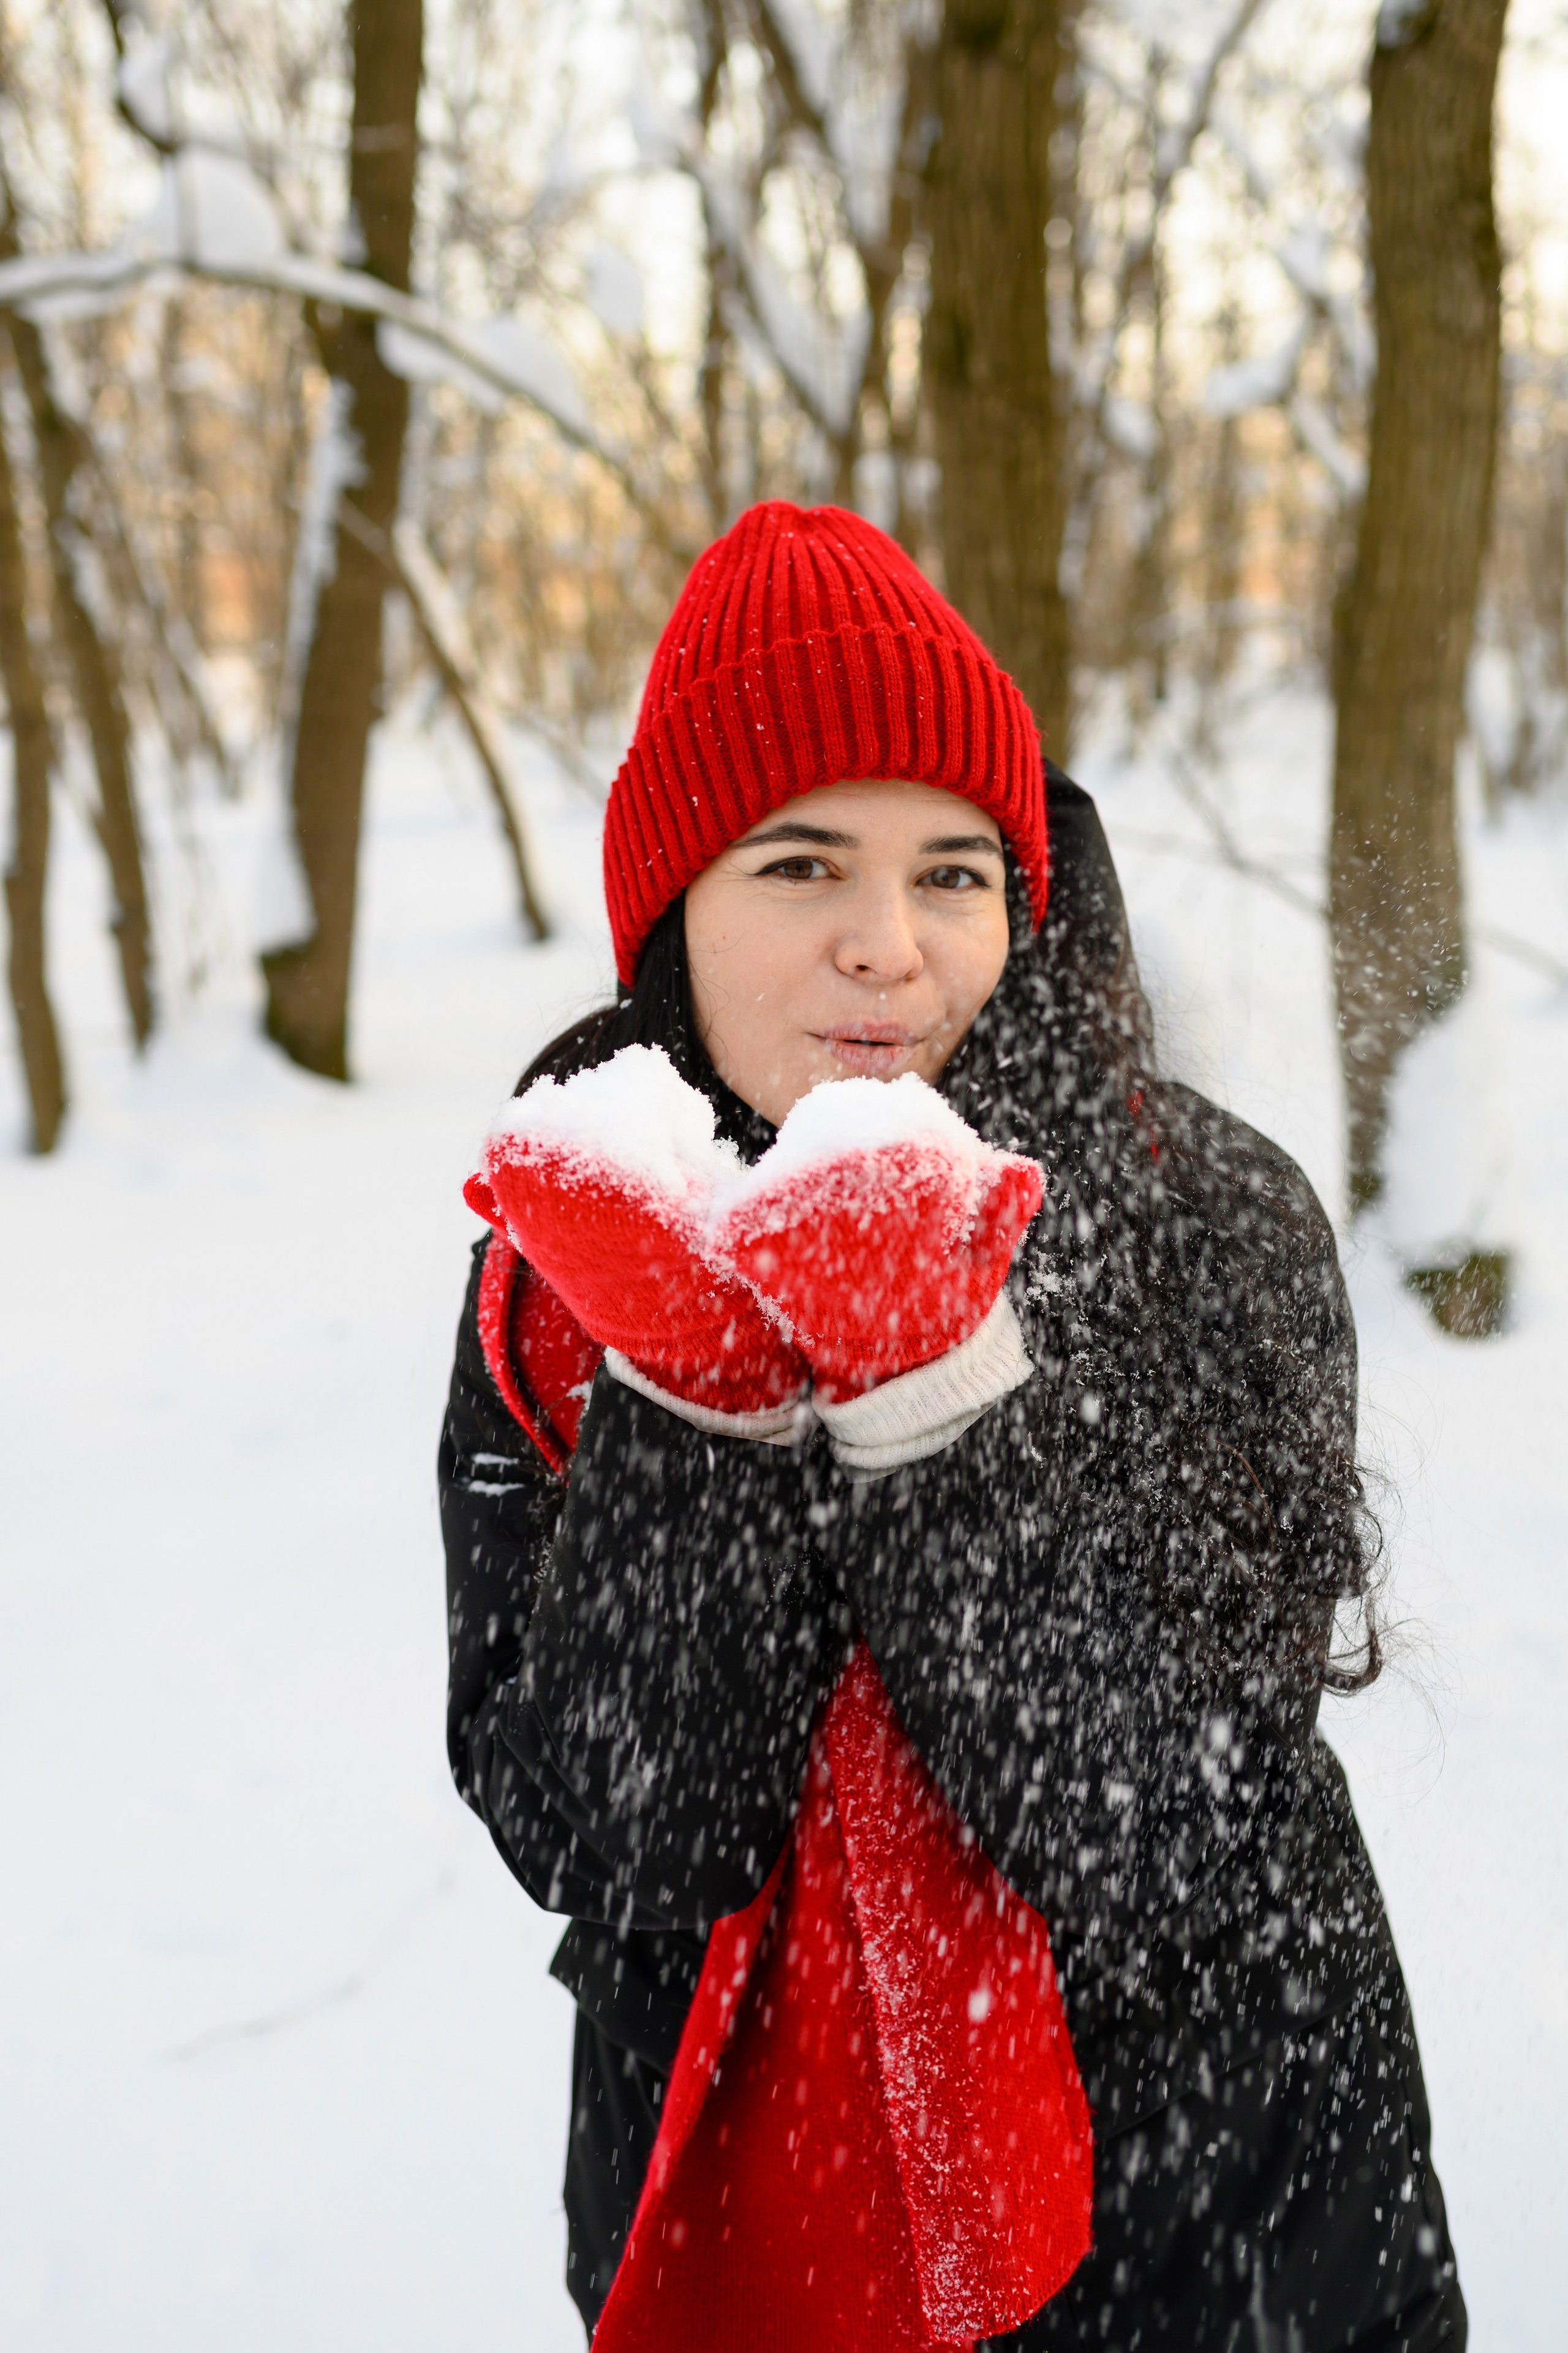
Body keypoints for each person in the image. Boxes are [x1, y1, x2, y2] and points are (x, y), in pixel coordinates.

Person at [440, 502, 1464, 2350]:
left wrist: (929, 1383)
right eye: (802, 867)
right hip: (745, 2232)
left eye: (952, 873)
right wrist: (702, 1387)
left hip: (1230, 2235)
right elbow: (613, 1838)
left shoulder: (1203, 1219)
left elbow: (1155, 1822)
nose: (887, 950)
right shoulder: (568, 1269)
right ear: (676, 912)